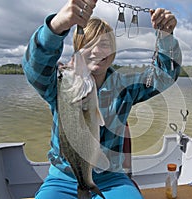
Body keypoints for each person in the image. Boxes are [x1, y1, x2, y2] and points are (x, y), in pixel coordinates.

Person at [22, 0, 182, 198]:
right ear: (78, 49)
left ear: (113, 52)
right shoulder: (58, 85)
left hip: (112, 177)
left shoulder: (124, 87)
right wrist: (56, 27)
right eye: (89, 44)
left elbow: (165, 75)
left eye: (104, 44)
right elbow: (34, 68)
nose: (97, 51)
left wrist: (166, 37)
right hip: (63, 177)